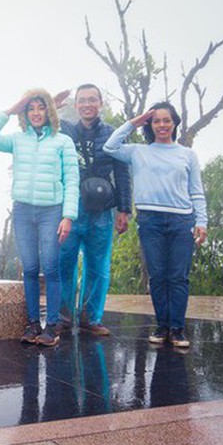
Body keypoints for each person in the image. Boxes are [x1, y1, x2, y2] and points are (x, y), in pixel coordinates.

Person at [103, 102, 207, 348]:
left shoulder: (187, 155)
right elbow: (110, 146)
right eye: (157, 120)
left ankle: (178, 329)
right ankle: (162, 326)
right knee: (158, 276)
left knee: (178, 277)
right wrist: (134, 122)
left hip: (182, 221)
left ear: (174, 123)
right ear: (150, 124)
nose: (162, 125)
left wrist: (201, 221)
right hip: (150, 221)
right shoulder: (139, 151)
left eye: (166, 120)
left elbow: (197, 192)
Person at [0, 89, 79, 347]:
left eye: (41, 107)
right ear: (25, 112)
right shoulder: (17, 139)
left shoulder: (62, 141)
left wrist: (68, 216)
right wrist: (11, 109)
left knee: (51, 266)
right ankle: (33, 322)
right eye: (31, 108)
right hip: (23, 211)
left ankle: (53, 325)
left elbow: (72, 180)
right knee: (31, 269)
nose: (36, 113)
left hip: (51, 211)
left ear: (49, 111)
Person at [58, 84, 132, 336]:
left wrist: (124, 209)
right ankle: (64, 316)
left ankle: (91, 317)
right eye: (82, 100)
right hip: (71, 204)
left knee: (98, 266)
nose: (87, 104)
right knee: (64, 261)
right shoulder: (65, 130)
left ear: (100, 103)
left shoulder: (111, 134)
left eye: (92, 100)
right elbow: (36, 123)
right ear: (76, 105)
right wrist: (51, 105)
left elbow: (122, 172)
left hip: (102, 208)